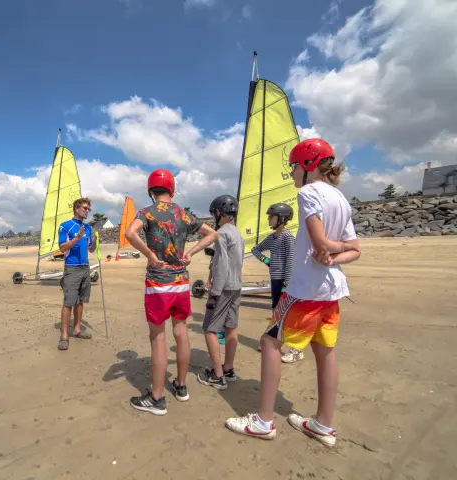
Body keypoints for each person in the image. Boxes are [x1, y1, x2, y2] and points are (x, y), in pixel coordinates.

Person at [225, 138, 361, 447]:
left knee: (269, 343)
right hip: (331, 291)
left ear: (308, 165)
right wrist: (334, 255)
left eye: (294, 167)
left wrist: (328, 249)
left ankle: (262, 422)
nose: (292, 174)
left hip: (305, 291)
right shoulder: (340, 198)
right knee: (324, 351)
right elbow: (354, 250)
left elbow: (321, 241)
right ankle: (323, 425)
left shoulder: (310, 192)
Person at [124, 169, 218, 415]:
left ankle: (156, 398)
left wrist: (150, 255)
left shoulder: (147, 212)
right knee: (181, 332)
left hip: (158, 283)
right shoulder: (183, 214)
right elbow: (212, 234)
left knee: (158, 338)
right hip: (181, 282)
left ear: (150, 190)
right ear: (171, 190)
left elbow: (129, 233)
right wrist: (191, 253)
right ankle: (181, 385)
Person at [196, 194, 244, 390]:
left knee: (209, 329)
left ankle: (217, 375)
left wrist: (214, 293)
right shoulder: (237, 232)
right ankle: (228, 369)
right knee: (231, 327)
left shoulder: (221, 233)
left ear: (219, 212)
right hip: (236, 286)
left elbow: (222, 265)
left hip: (223, 287)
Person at [251, 203, 301, 363]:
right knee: (275, 310)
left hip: (286, 280)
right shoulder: (271, 238)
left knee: (286, 313)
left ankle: (294, 347)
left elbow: (290, 260)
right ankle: (274, 341)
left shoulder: (288, 237)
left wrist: (287, 281)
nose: (268, 219)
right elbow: (255, 250)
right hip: (275, 279)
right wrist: (267, 260)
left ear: (281, 219)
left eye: (271, 217)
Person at [56, 197, 97, 351]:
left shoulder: (87, 228)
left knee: (80, 301)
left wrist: (95, 241)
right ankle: (64, 336)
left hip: (85, 267)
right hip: (72, 268)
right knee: (68, 302)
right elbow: (62, 248)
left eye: (88, 209)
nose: (87, 211)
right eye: (85, 208)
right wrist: (76, 238)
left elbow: (91, 249)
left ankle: (77, 329)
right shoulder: (65, 226)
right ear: (76, 208)